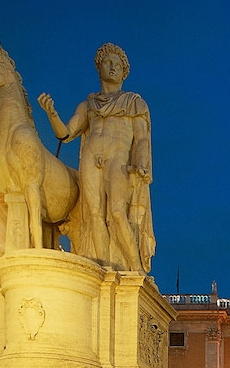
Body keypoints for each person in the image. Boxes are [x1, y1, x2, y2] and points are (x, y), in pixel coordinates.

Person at [38, 43, 155, 273]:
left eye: (118, 65)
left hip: (118, 158)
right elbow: (66, 133)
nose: (112, 68)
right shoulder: (88, 105)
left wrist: (141, 163)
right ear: (99, 67)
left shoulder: (134, 102)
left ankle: (136, 268)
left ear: (124, 73)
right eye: (108, 63)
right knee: (93, 215)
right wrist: (52, 114)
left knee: (117, 213)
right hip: (91, 157)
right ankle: (103, 270)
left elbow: (142, 138)